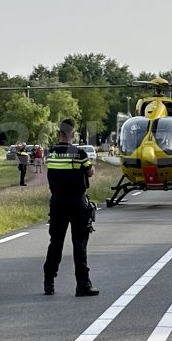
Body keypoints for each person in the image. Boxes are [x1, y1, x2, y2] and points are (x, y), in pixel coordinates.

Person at [43, 119, 98, 297]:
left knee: (56, 243)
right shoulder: (79, 153)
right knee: (79, 244)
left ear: (59, 133)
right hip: (76, 202)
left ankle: (49, 282)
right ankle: (82, 285)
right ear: (73, 134)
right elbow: (90, 172)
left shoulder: (51, 153)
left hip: (57, 202)